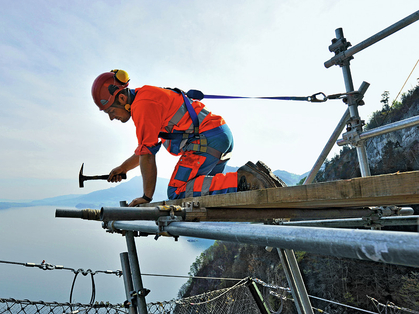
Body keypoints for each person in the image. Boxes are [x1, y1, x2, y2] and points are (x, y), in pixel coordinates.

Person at [91, 69, 285, 207]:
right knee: (205, 194)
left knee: (178, 192)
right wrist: (123, 168)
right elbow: (145, 150)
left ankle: (248, 179)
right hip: (218, 136)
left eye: (109, 111)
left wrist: (146, 197)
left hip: (206, 140)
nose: (111, 117)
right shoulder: (147, 97)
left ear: (122, 99)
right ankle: (255, 177)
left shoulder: (142, 106)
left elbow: (147, 155)